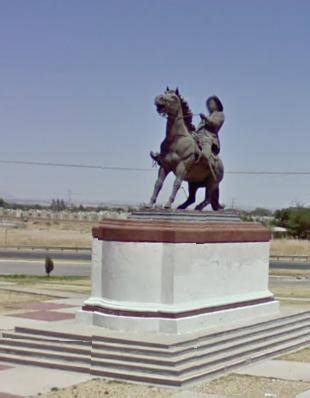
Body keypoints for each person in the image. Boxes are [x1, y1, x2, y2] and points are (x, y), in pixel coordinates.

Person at [195, 96, 225, 163]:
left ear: (217, 104)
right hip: (199, 136)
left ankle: (205, 160)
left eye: (211, 103)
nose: (209, 106)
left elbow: (215, 123)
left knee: (206, 140)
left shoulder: (220, 114)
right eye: (208, 105)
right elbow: (198, 128)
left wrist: (205, 118)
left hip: (210, 137)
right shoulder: (208, 116)